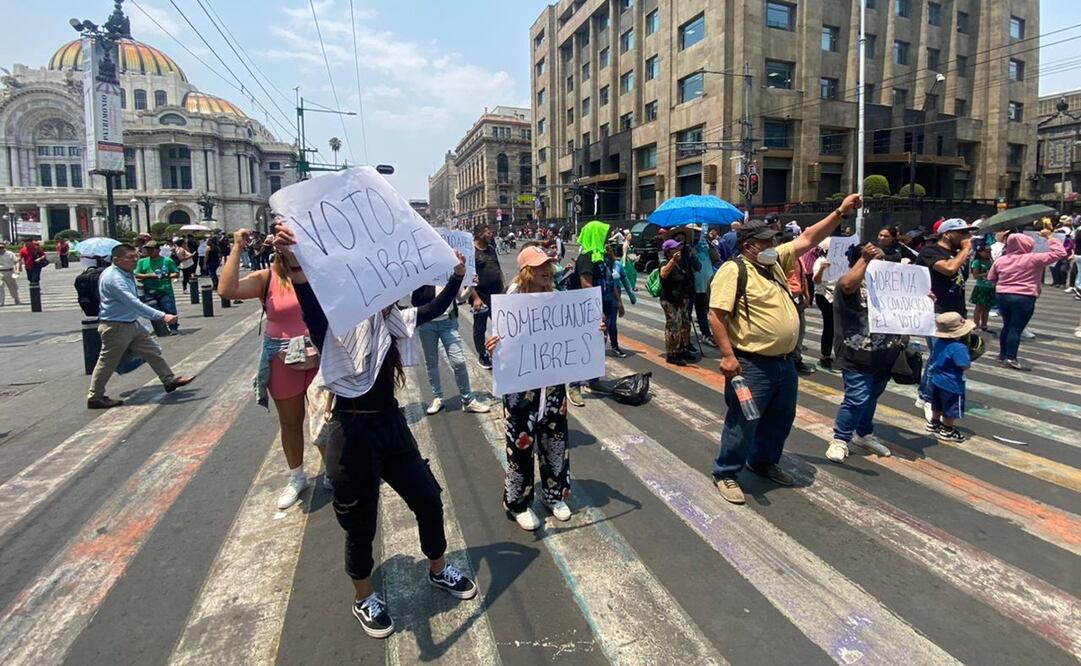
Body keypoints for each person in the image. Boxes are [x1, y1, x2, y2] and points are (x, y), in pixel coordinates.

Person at [273, 226, 477, 639]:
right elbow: (308, 297)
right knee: (359, 521)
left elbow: (436, 308)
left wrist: (456, 275)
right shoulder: (333, 325)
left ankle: (438, 568)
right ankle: (364, 595)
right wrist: (294, 258)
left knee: (427, 497)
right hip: (351, 430)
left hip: (392, 424)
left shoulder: (396, 319)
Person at [708, 193, 863, 504]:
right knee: (743, 420)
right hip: (751, 365)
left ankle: (763, 461)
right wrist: (727, 356)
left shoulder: (775, 262)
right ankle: (726, 473)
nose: (770, 246)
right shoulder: (734, 270)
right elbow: (716, 314)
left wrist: (840, 213)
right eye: (764, 242)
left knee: (781, 417)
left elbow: (807, 238)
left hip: (783, 363)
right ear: (748, 244)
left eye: (772, 241)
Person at [219, 228, 328, 509]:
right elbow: (227, 290)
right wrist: (236, 247)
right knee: (291, 422)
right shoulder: (267, 278)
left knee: (326, 420)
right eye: (281, 246)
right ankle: (297, 477)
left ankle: (333, 472)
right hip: (282, 358)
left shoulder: (320, 274)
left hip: (321, 355)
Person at [485, 246, 577, 531]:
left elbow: (572, 332)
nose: (546, 270)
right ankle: (518, 503)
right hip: (520, 386)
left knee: (555, 439)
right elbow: (498, 339)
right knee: (520, 445)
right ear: (526, 270)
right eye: (539, 266)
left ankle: (554, 494)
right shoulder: (510, 301)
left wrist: (591, 331)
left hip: (551, 385)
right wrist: (492, 346)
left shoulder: (558, 298)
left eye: (548, 264)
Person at [87, 244, 195, 409]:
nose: (135, 260)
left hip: (130, 323)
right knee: (107, 362)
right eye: (130, 258)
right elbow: (133, 303)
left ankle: (169, 380)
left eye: (136, 256)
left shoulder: (125, 273)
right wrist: (162, 316)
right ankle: (95, 397)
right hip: (116, 326)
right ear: (116, 260)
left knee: (152, 351)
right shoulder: (114, 278)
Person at [825, 243, 903, 463]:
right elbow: (847, 285)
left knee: (871, 398)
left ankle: (863, 434)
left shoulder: (888, 286)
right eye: (872, 259)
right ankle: (840, 439)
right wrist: (866, 259)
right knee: (857, 398)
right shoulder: (847, 284)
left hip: (883, 353)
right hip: (855, 352)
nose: (880, 263)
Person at [987, 229, 1065, 371]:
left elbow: (991, 278)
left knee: (1007, 325)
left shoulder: (1001, 260)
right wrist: (1050, 237)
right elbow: (1060, 253)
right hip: (1024, 296)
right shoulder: (1034, 258)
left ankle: (1002, 354)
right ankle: (1011, 358)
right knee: (1016, 328)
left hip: (1002, 295)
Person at [411, 282, 491, 415]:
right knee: (431, 362)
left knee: (458, 361)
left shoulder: (450, 273)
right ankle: (437, 398)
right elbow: (414, 300)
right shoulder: (421, 275)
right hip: (427, 325)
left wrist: (471, 286)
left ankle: (468, 400)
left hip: (448, 323)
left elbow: (461, 298)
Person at [566, 220, 621, 402]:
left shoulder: (602, 255)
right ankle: (574, 386)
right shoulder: (586, 257)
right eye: (603, 233)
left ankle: (593, 380)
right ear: (595, 234)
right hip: (589, 309)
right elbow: (586, 285)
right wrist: (597, 311)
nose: (607, 236)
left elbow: (610, 280)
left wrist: (618, 301)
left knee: (598, 343)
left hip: (605, 304)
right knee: (583, 345)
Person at [927, 313, 974, 442]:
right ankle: (948, 430)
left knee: (936, 404)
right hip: (952, 383)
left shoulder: (939, 343)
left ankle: (934, 422)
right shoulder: (959, 347)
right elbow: (964, 365)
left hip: (937, 379)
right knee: (951, 408)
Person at [471, 224, 504, 370]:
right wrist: (475, 298)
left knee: (501, 325)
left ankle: (500, 351)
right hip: (481, 297)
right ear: (478, 235)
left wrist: (504, 288)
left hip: (497, 295)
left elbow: (498, 269)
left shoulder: (491, 249)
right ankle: (482, 355)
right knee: (480, 328)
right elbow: (468, 279)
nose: (491, 234)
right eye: (487, 233)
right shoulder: (471, 251)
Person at [659, 238, 694, 365]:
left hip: (681, 299)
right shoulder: (665, 262)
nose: (678, 249)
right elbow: (663, 275)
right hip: (670, 300)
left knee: (685, 324)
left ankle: (681, 349)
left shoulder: (680, 262)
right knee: (674, 326)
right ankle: (672, 353)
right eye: (675, 248)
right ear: (668, 251)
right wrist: (672, 261)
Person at [134, 241, 180, 333]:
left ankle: (173, 327)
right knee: (154, 310)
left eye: (152, 249)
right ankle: (159, 329)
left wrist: (167, 276)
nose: (149, 251)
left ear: (158, 250)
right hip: (149, 290)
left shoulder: (167, 260)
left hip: (164, 290)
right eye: (147, 249)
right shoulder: (142, 262)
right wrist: (151, 276)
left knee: (169, 309)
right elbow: (137, 274)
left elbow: (176, 273)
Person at [692, 228, 721, 347]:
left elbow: (716, 258)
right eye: (695, 233)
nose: (698, 235)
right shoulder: (688, 247)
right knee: (701, 311)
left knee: (713, 310)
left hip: (710, 283)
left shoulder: (706, 245)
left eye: (699, 233)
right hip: (696, 285)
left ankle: (717, 334)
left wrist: (710, 245)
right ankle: (706, 334)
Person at [811, 238, 835, 370]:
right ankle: (825, 354)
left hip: (838, 296)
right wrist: (821, 269)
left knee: (838, 327)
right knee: (829, 325)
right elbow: (816, 280)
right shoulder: (820, 262)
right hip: (825, 296)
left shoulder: (842, 261)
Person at [969, 244, 995, 332]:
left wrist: (991, 258)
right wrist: (986, 274)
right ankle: (976, 324)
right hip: (981, 286)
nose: (988, 253)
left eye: (990, 251)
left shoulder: (991, 261)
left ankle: (984, 325)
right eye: (986, 251)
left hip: (990, 286)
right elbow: (975, 275)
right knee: (979, 307)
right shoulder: (977, 262)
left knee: (987, 308)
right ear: (980, 252)